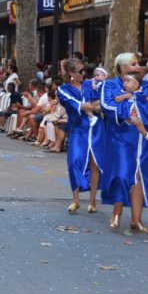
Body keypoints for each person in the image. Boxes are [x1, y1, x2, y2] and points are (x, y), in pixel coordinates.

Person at [101, 53, 148, 234]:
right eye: (133, 64)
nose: (138, 66)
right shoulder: (111, 85)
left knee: (140, 176)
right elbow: (107, 106)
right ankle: (117, 212)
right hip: (122, 138)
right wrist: (126, 114)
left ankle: (136, 220)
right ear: (122, 67)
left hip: (147, 141)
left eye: (138, 64)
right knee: (124, 174)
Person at [57, 58, 104, 214]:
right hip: (78, 129)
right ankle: (75, 200)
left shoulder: (89, 85)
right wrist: (95, 108)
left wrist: (96, 106)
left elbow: (99, 100)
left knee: (95, 164)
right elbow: (76, 104)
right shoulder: (63, 89)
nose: (84, 74)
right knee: (74, 162)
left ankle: (92, 201)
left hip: (96, 128)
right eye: (80, 71)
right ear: (71, 73)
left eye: (85, 70)